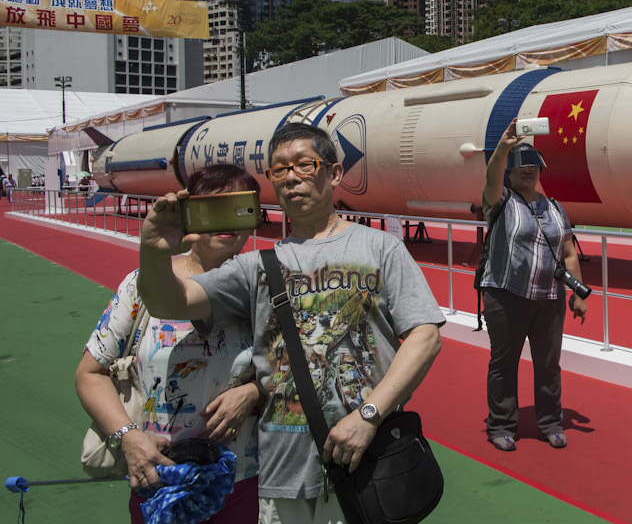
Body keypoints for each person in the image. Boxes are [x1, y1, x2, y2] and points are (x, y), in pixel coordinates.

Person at [135, 122, 444, 523]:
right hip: (284, 473)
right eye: (279, 170)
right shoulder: (254, 267)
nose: (291, 177)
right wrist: (153, 250)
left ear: (333, 174)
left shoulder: (381, 248)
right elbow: (168, 301)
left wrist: (369, 415)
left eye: (304, 164)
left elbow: (425, 336)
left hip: (370, 458)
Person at [75, 164, 264, 523]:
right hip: (157, 477)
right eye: (213, 207)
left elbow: (292, 368)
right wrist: (129, 439)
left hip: (243, 481)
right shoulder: (140, 286)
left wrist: (254, 391)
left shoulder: (265, 287)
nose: (226, 220)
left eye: (238, 207)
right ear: (190, 212)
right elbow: (90, 373)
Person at [480, 120, 587, 452]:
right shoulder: (500, 202)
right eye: (518, 166)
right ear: (509, 173)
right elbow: (491, 178)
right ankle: (501, 425)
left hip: (549, 299)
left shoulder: (555, 208)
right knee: (504, 363)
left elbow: (568, 251)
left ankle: (551, 422)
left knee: (548, 364)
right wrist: (503, 148)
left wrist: (578, 293)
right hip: (506, 295)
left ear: (541, 170)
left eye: (533, 165)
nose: (527, 170)